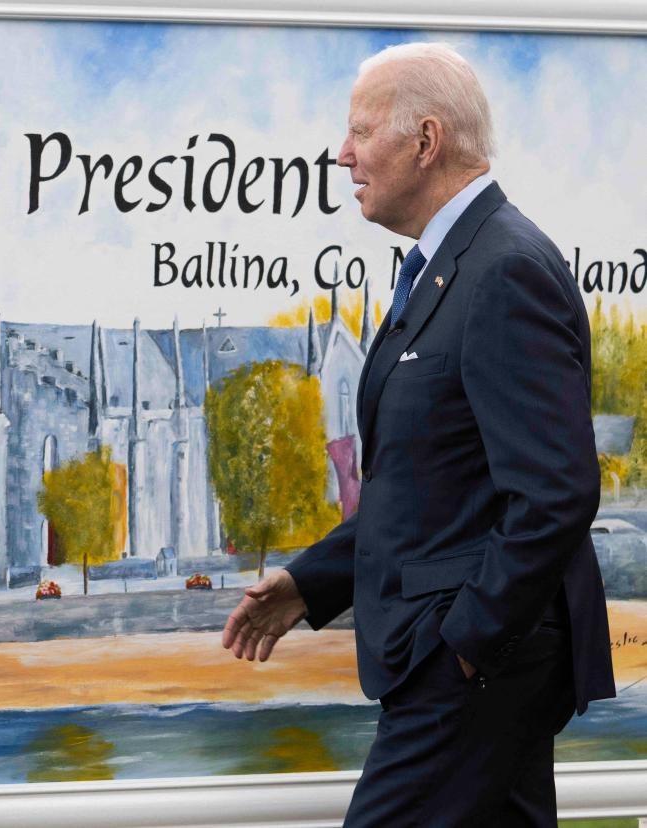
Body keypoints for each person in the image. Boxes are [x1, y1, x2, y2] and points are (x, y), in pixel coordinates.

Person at [221, 42, 615, 826]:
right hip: (477, 662)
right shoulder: (447, 268)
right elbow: (431, 488)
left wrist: (466, 644)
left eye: (361, 131)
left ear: (425, 140)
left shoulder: (504, 271)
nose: (343, 155)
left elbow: (555, 493)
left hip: (474, 665)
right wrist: (311, 584)